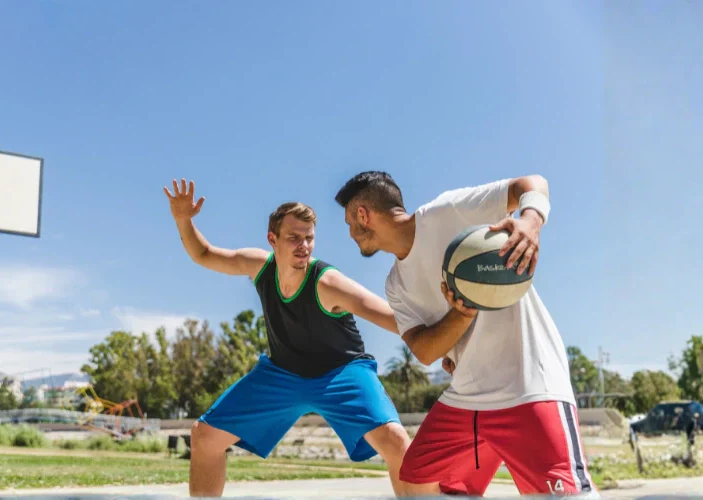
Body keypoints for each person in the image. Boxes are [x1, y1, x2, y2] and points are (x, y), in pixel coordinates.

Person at [334, 172, 597, 497]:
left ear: (363, 215)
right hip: (466, 399)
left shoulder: (447, 212)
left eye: (349, 222)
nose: (350, 233)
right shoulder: (395, 285)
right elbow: (425, 350)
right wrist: (461, 314)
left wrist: (531, 222)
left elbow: (532, 183)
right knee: (415, 480)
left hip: (529, 387)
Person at [163, 179, 413, 497]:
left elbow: (395, 319)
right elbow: (204, 254)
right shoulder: (259, 267)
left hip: (342, 372)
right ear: (273, 239)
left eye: (309, 238)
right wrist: (184, 219)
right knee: (204, 436)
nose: (303, 246)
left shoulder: (328, 282)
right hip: (282, 373)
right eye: (294, 237)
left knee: (396, 442)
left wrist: (448, 342)